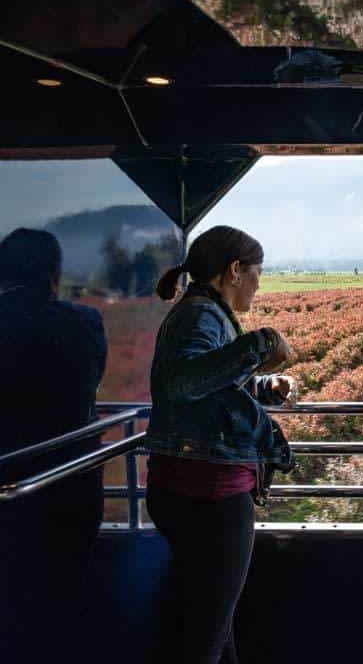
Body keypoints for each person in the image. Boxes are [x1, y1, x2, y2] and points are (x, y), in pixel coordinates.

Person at [145, 225, 297, 664]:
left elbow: (211, 388)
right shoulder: (201, 315)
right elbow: (184, 383)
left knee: (214, 624)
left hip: (194, 487)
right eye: (257, 273)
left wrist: (264, 387)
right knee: (205, 636)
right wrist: (263, 342)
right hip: (209, 494)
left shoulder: (201, 313)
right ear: (234, 270)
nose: (258, 284)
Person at [0, 228, 108, 661]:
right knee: (66, 595)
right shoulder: (85, 322)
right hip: (71, 482)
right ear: (55, 273)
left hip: (7, 484)